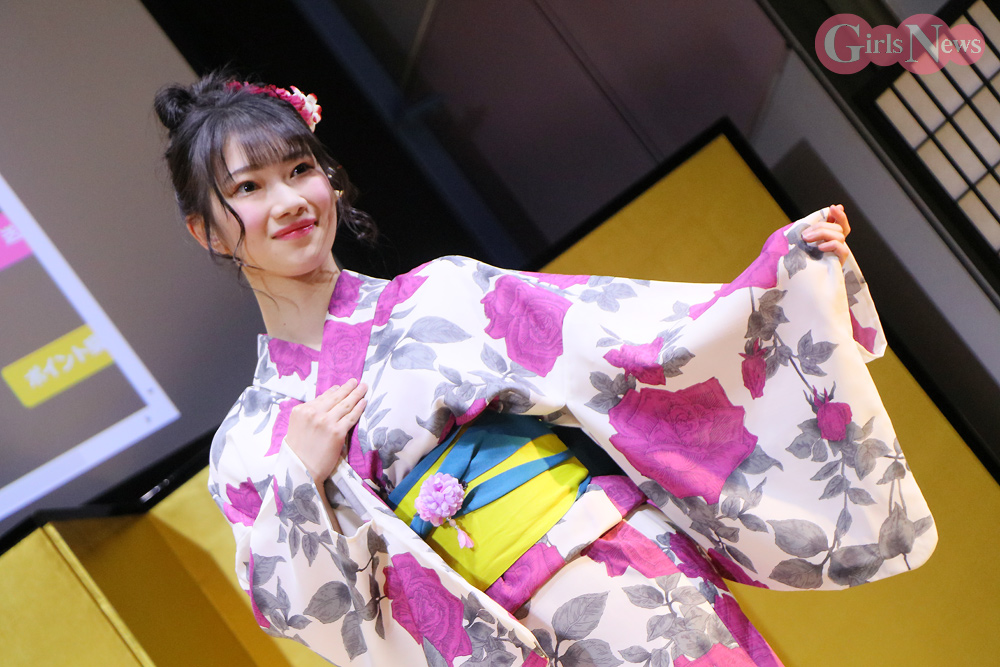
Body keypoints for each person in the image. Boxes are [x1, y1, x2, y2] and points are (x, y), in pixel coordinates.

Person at [154, 72, 936, 667]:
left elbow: (635, 344)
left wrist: (773, 279)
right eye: (249, 188)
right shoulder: (251, 444)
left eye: (299, 169)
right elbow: (303, 613)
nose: (289, 199)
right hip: (483, 644)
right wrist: (299, 476)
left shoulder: (442, 295)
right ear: (206, 231)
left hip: (612, 568)